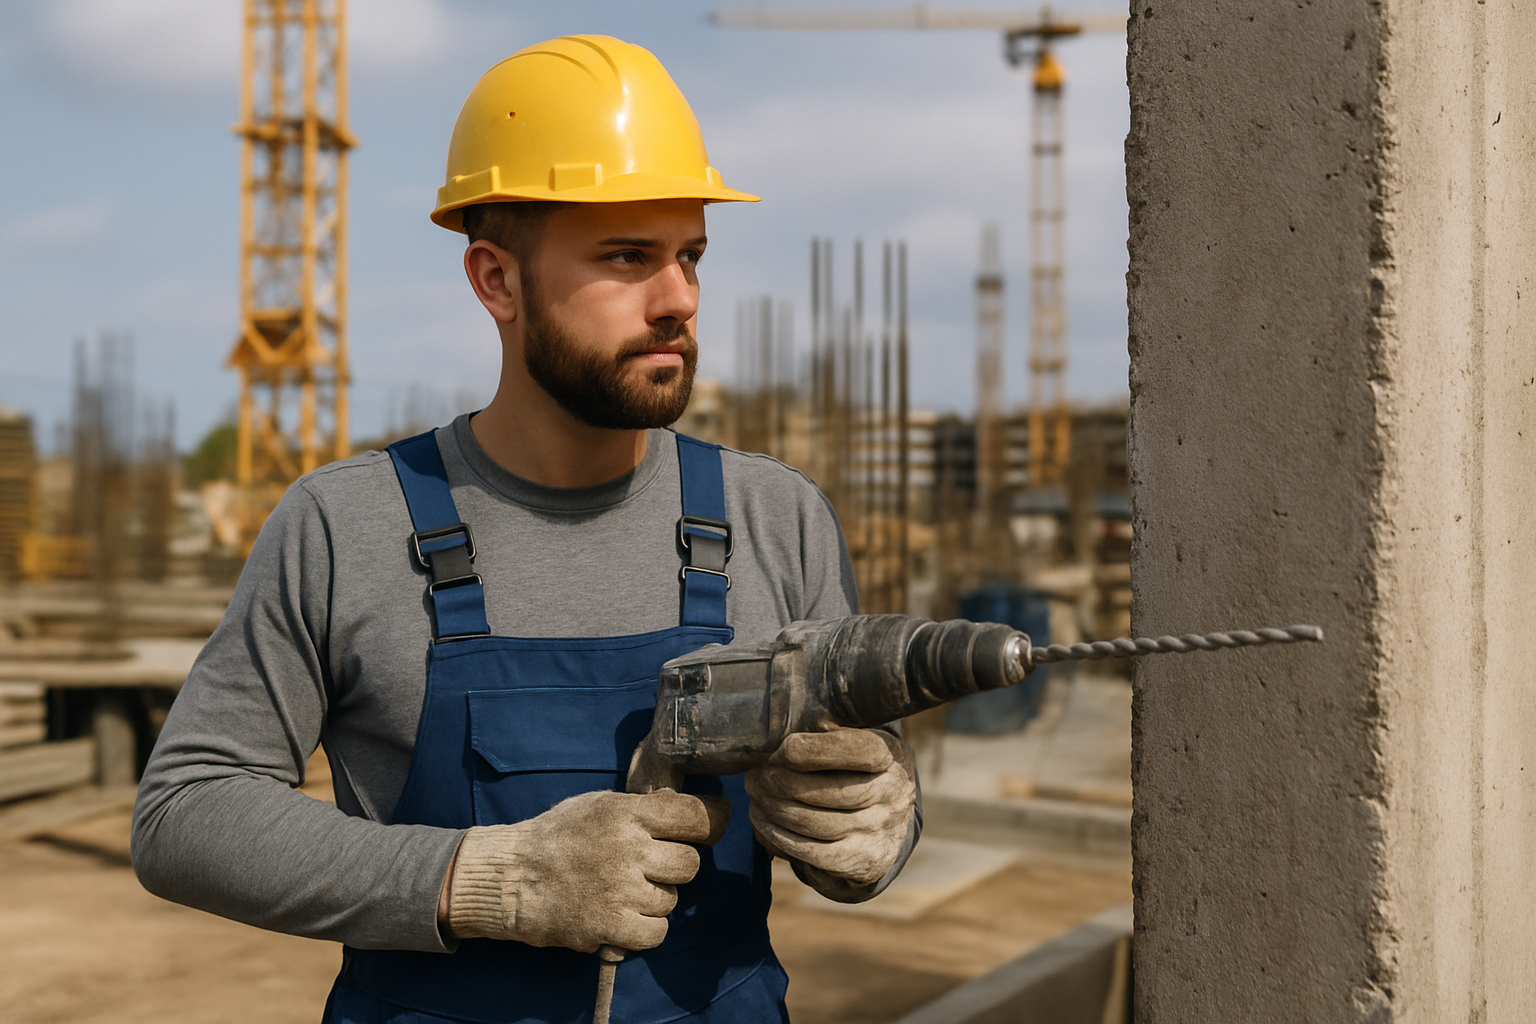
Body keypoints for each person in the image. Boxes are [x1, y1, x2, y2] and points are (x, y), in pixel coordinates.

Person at [131, 34, 920, 1024]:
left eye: (690, 256)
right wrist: (489, 878)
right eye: (627, 257)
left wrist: (877, 822)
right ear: (495, 281)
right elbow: (185, 812)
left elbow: (867, 796)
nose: (678, 298)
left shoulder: (776, 517)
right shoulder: (349, 525)